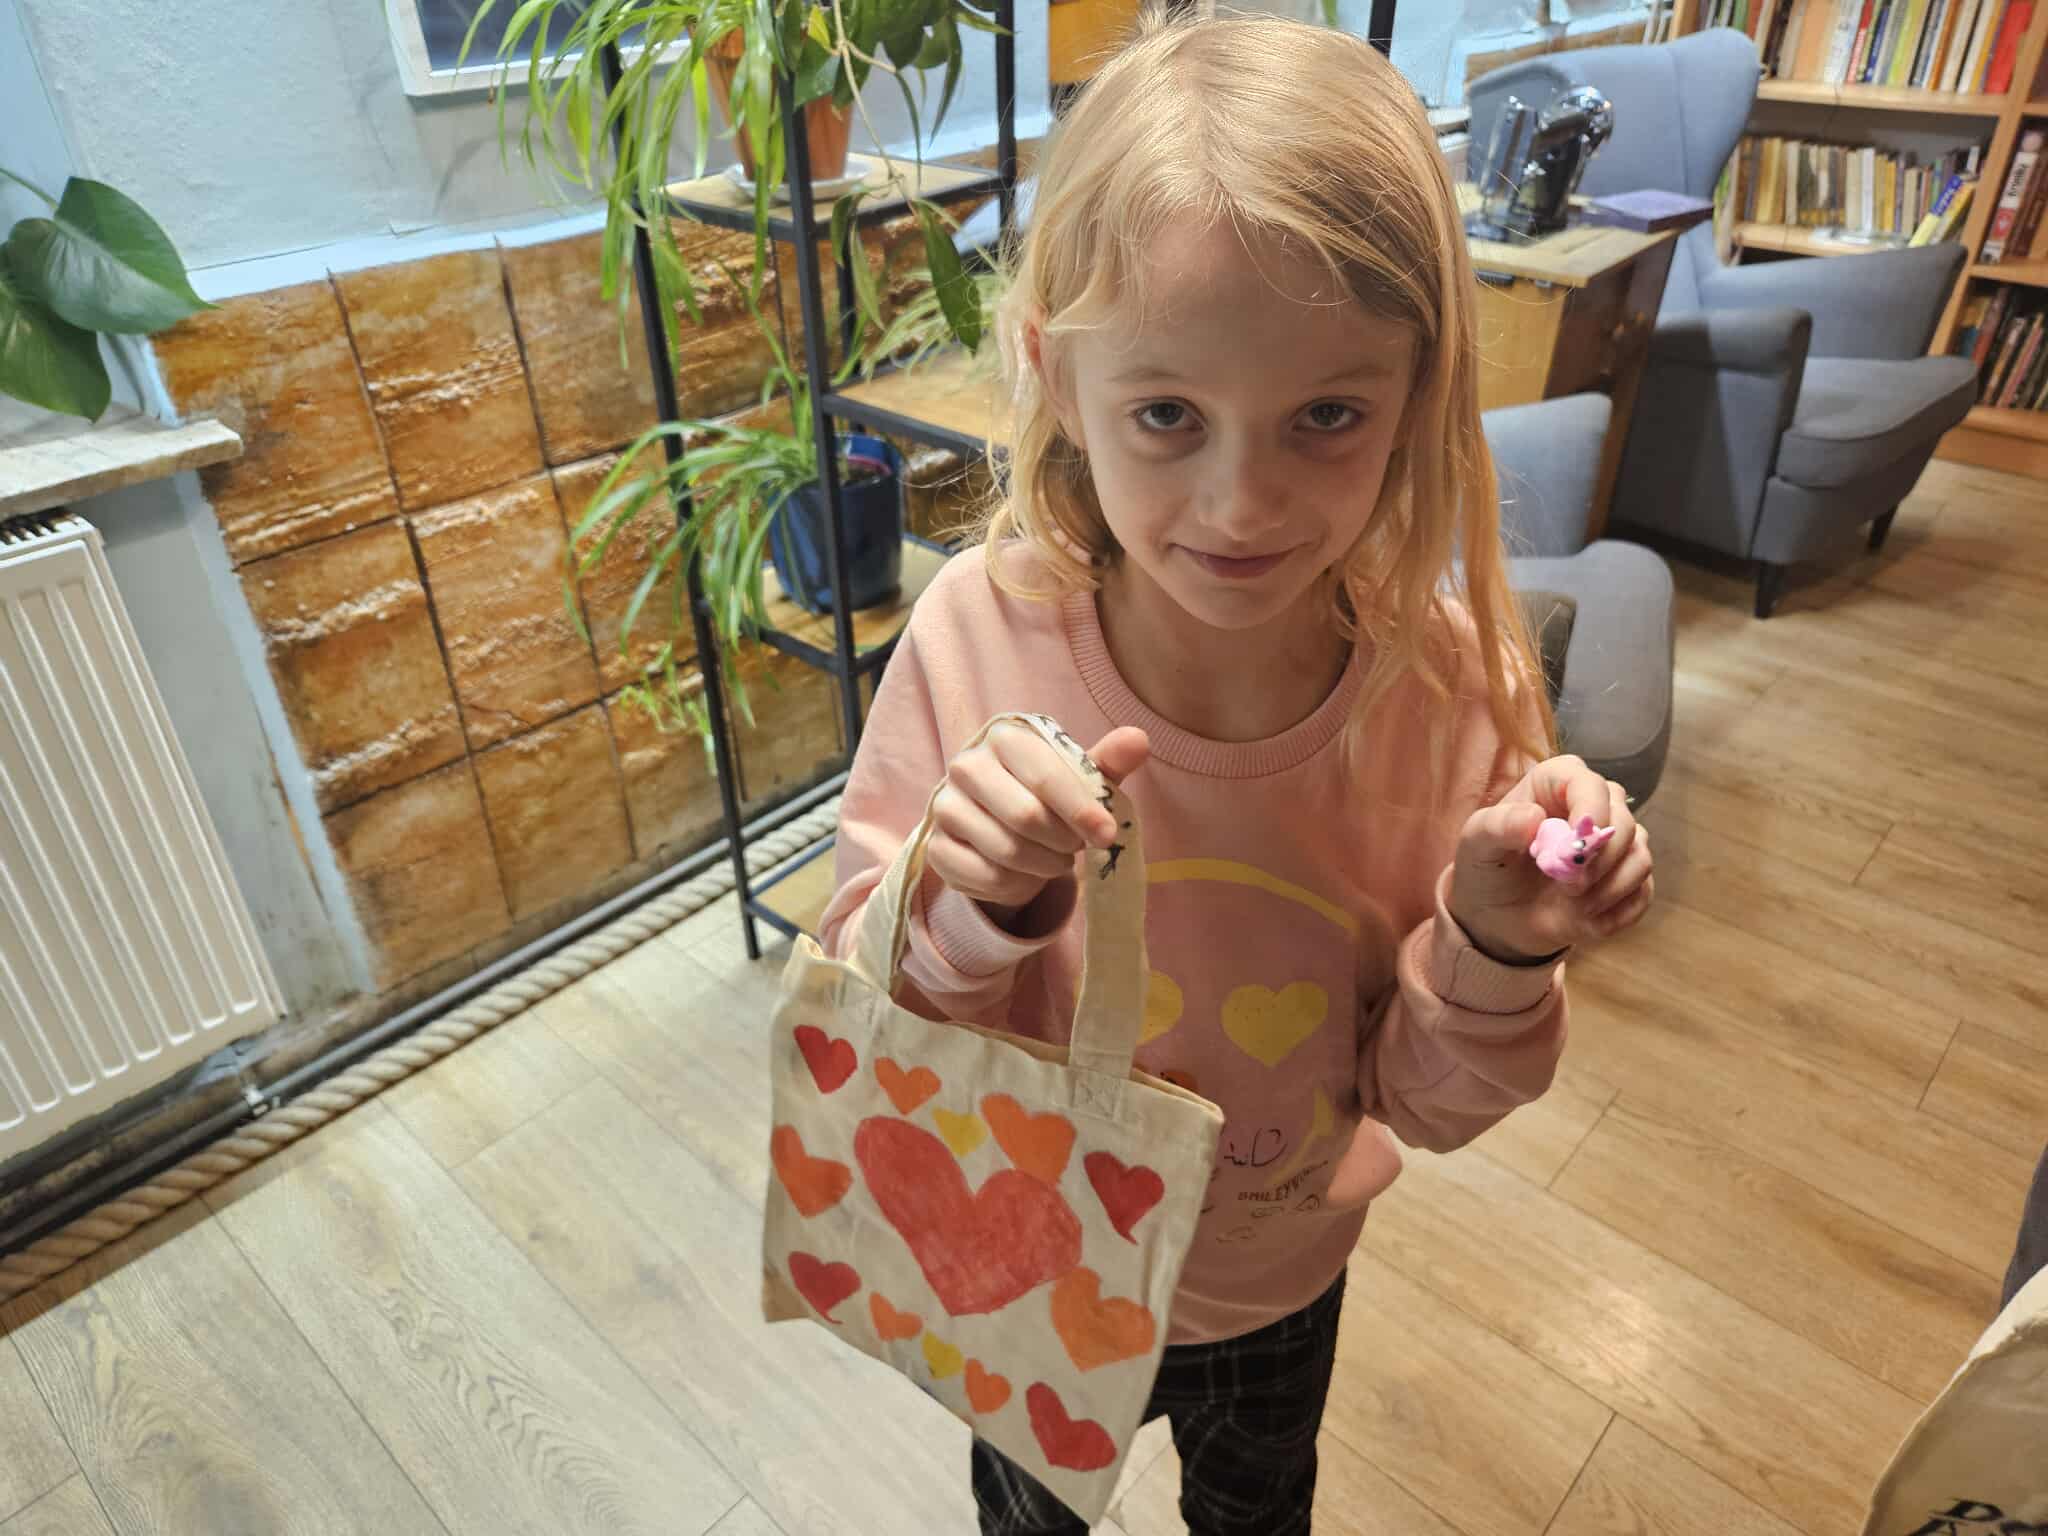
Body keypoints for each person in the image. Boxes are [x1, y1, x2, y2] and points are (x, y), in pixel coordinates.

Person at [816, 12, 1656, 1533]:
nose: (1242, 504)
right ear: (1056, 377)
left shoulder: (1449, 695)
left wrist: (1496, 943)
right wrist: (971, 902)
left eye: (1327, 415)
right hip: (1026, 1256)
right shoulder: (976, 635)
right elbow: (872, 1020)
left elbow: (1425, 1105)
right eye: (1166, 415)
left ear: (1417, 396)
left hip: (1282, 1281)